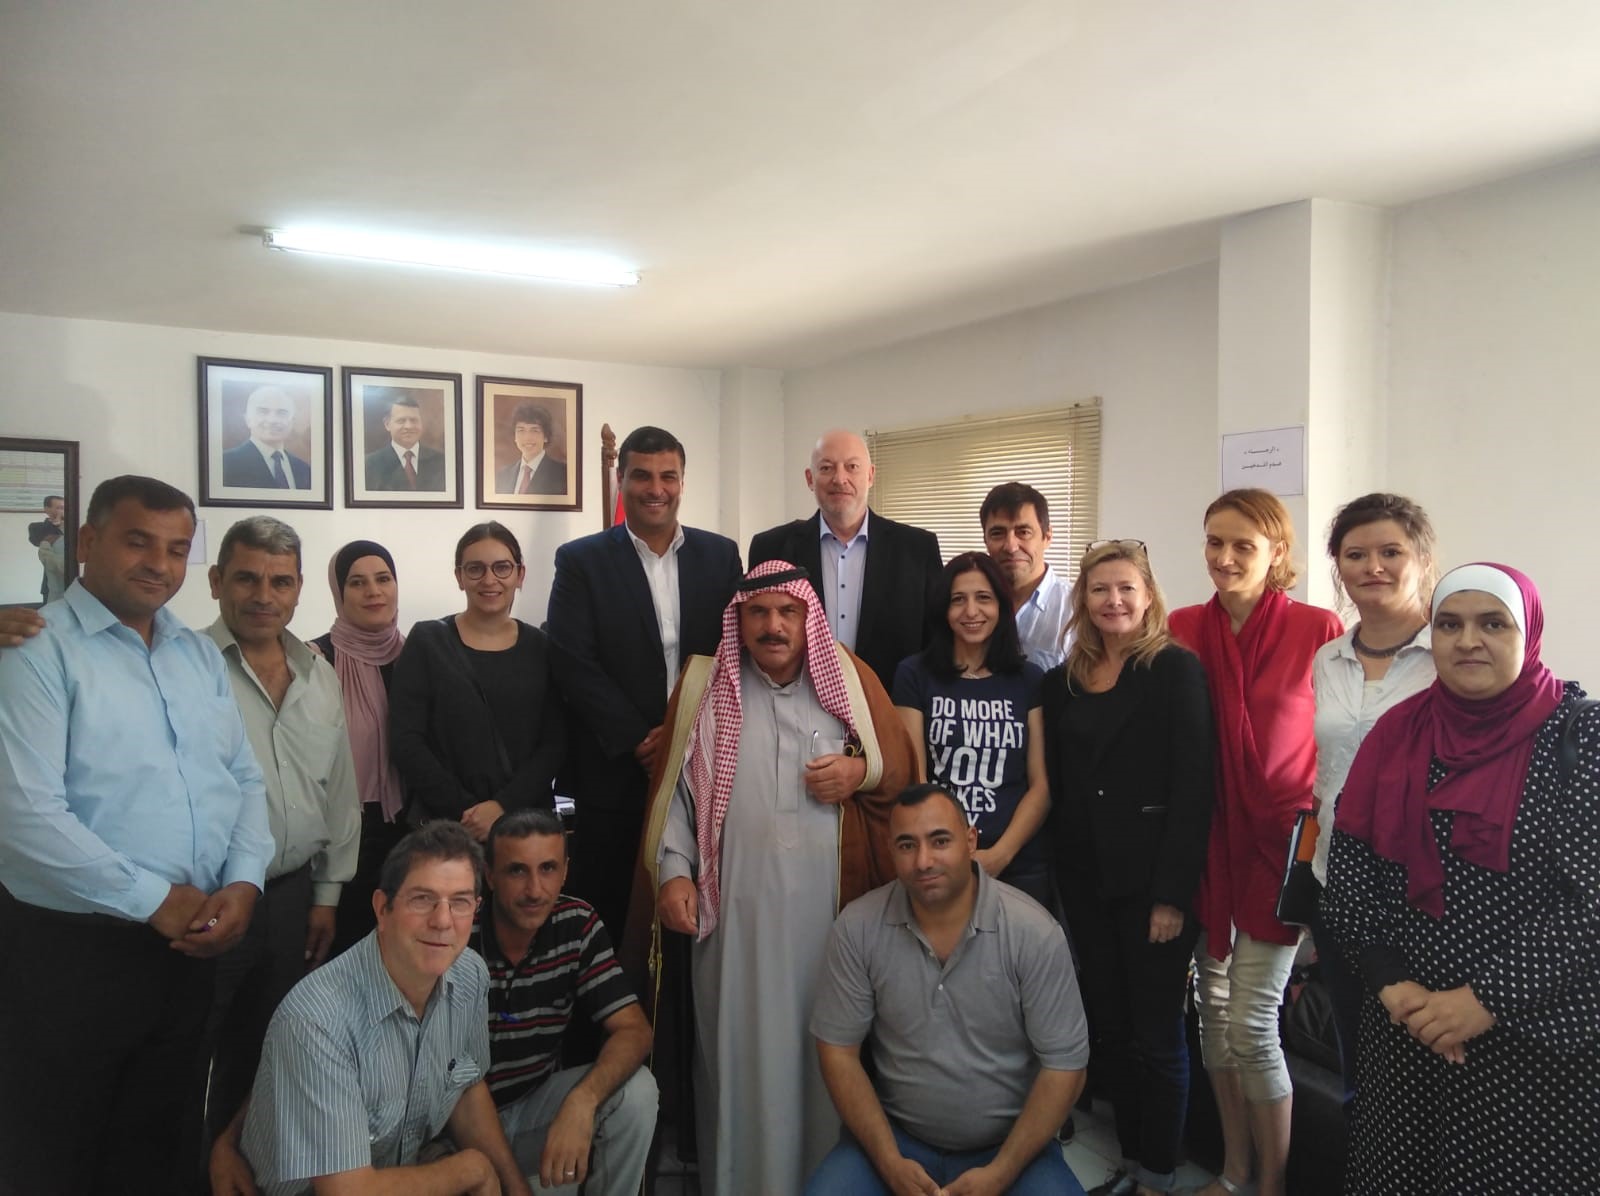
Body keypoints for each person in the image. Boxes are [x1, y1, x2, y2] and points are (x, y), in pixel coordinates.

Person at [0, 475, 275, 1192]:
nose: (159, 562)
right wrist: (156, 899)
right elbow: (24, 816)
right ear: (87, 542)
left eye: (177, 548)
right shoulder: (33, 647)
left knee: (160, 1142)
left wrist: (244, 880)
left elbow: (242, 779)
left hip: (189, 946)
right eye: (138, 541)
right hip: (73, 951)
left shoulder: (193, 655)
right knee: (57, 1150)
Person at [1325, 563, 1600, 1193]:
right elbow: (1351, 867)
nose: (1467, 640)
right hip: (1407, 1027)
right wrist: (1391, 984)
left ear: (1527, 633)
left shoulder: (1582, 735)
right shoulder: (1399, 730)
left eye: (1492, 623)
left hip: (1533, 1042)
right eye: (1449, 624)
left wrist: (1482, 1002)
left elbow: (1590, 902)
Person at [646, 559, 917, 1196]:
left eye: (787, 611)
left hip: (828, 923)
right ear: (738, 620)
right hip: (731, 922)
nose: (773, 625)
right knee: (736, 1062)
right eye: (758, 612)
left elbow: (898, 767)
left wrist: (859, 773)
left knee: (823, 1055)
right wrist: (674, 873)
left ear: (808, 619)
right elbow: (676, 800)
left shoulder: (848, 680)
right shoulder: (703, 687)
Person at [1167, 488, 1342, 1196]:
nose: (1226, 557)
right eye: (1215, 542)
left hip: (1281, 844)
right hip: (1209, 839)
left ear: (1277, 553)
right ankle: (1233, 1170)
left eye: (1244, 545)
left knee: (1250, 1024)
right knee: (1211, 1018)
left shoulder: (1317, 626)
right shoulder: (1181, 626)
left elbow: (1334, 744)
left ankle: (1271, 1184)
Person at [806, 783, 1090, 1196]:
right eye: (907, 845)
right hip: (896, 1141)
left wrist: (1000, 1174)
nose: (924, 861)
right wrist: (889, 1162)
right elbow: (838, 1051)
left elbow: (1066, 1068)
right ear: (890, 850)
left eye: (940, 841)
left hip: (1010, 1149)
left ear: (971, 841)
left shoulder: (1034, 933)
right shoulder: (858, 927)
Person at [231, 822, 533, 1195]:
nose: (442, 921)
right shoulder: (317, 1019)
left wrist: (516, 1189)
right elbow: (347, 1191)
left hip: (402, 1173)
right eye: (422, 899)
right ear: (382, 909)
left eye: (459, 901)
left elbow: (466, 1091)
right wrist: (471, 1170)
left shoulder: (469, 973)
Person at [1044, 539, 1214, 1196]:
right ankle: (1131, 1155)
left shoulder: (1174, 669)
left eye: (1125, 589)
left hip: (1153, 888)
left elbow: (1194, 786)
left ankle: (1159, 1172)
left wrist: (1173, 895)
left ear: (1147, 597)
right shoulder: (1063, 680)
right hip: (1086, 882)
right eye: (1099, 590)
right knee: (1110, 1028)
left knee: (1156, 1035)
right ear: (1082, 600)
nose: (1113, 601)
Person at [197, 516, 361, 1155]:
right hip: (208, 897)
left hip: (293, 898)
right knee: (190, 1051)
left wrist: (326, 894)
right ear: (217, 582)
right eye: (246, 577)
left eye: (280, 581)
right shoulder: (180, 665)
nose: (264, 594)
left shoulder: (318, 673)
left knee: (270, 1052)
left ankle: (245, 1169)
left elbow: (339, 788)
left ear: (298, 591)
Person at [547, 424, 741, 943]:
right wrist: (641, 739)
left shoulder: (720, 556)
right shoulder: (581, 561)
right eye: (642, 476)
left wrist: (684, 736)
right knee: (610, 915)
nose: (656, 488)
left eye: (668, 476)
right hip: (615, 773)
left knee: (697, 913)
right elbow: (572, 661)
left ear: (682, 481)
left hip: (702, 764)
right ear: (620, 479)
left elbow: (732, 653)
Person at [1308, 494, 1438, 1103]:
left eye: (1391, 552)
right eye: (1356, 554)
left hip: (1425, 894)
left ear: (1421, 559)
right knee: (1358, 1065)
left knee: (1427, 1070)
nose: (1373, 567)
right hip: (1339, 884)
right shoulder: (1327, 659)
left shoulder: (1450, 655)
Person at [474, 809, 657, 1193]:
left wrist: (581, 1102)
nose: (535, 890)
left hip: (533, 1113)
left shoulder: (577, 923)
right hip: (460, 1132)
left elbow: (634, 1030)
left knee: (636, 1093)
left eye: (548, 869)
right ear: (489, 876)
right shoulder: (458, 929)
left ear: (565, 870)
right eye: (516, 871)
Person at [892, 551, 1054, 908]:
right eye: (958, 600)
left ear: (1001, 606)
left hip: (1018, 863)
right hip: (936, 862)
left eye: (984, 598)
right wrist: (945, 852)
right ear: (943, 610)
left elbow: (1041, 785)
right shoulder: (913, 675)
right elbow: (914, 779)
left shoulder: (1029, 680)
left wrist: (1000, 854)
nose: (971, 612)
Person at [390, 522, 564, 837]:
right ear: (459, 576)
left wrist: (501, 807)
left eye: (502, 568)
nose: (489, 580)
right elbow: (406, 741)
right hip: (446, 828)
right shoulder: (428, 641)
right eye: (475, 569)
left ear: (520, 574)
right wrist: (467, 813)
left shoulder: (543, 647)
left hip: (526, 827)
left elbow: (555, 742)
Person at [748, 427, 942, 691]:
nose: (840, 479)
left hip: (889, 708)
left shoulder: (917, 549)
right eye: (826, 468)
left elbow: (935, 643)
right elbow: (755, 636)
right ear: (809, 478)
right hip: (795, 707)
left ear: (871, 475)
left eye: (852, 467)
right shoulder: (770, 547)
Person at [309, 540, 410, 955]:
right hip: (340, 840)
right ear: (339, 592)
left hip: (407, 835)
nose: (374, 591)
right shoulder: (314, 660)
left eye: (383, 579)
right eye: (357, 582)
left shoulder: (420, 656)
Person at [982, 481, 1072, 669]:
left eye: (1023, 532)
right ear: (986, 540)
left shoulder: (1077, 609)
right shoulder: (970, 607)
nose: (1011, 546)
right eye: (998, 533)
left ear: (1047, 537)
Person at [222, 385, 312, 489]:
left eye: (282, 413)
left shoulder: (304, 469)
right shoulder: (226, 463)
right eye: (263, 412)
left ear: (292, 422)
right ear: (248, 419)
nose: (272, 420)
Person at [364, 393, 445, 490]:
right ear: (387, 424)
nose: (409, 426)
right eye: (401, 421)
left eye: (414, 420)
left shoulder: (441, 461)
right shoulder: (370, 464)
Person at [496, 401, 568, 494]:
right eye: (521, 430)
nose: (527, 437)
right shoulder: (503, 475)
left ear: (546, 436)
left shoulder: (563, 473)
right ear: (515, 436)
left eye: (534, 431)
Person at [28, 492, 66, 601]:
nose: (62, 510)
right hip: (52, 584)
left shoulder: (73, 525)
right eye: (59, 507)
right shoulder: (37, 527)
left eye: (64, 507)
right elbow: (37, 540)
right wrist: (56, 524)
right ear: (47, 509)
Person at [31, 517, 66, 603]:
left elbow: (60, 567)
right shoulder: (57, 543)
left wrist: (44, 549)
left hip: (61, 598)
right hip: (57, 597)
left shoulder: (59, 545)